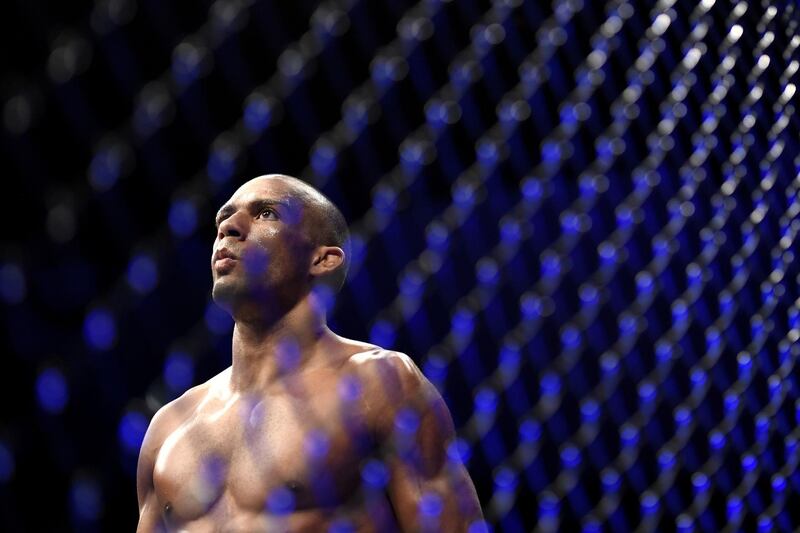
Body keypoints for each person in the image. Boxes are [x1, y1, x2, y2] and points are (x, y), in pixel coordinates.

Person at [136, 175, 484, 532]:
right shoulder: (170, 426)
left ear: (322, 259)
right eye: (223, 219)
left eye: (267, 213)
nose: (229, 227)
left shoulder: (377, 382)